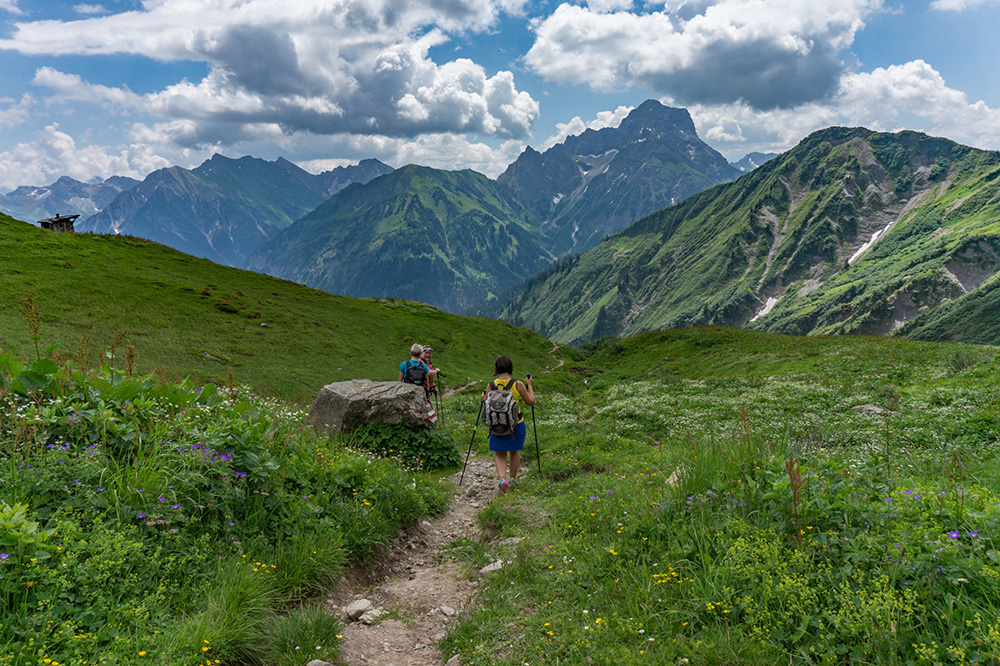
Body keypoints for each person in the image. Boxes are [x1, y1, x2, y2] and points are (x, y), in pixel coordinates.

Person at [481, 355, 535, 495]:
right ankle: (511, 480)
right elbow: (531, 402)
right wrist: (530, 386)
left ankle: (501, 480)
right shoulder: (518, 385)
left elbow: (487, 406)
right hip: (515, 424)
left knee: (499, 454)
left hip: (496, 425)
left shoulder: (491, 385)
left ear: (497, 368)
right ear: (511, 368)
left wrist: (483, 399)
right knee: (514, 451)